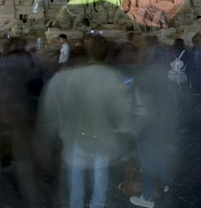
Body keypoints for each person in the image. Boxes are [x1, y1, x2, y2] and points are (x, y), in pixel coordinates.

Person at [35, 35, 132, 208]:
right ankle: (97, 204)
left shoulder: (76, 75)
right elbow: (120, 109)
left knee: (76, 173)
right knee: (100, 174)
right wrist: (124, 127)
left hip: (80, 133)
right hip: (103, 133)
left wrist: (65, 130)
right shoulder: (113, 75)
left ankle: (76, 204)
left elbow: (69, 105)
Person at [129, 36, 171, 208]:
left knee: (146, 160)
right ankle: (164, 183)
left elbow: (136, 86)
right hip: (158, 117)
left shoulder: (145, 68)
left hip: (146, 119)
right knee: (157, 153)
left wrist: (126, 83)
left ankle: (147, 197)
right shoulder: (159, 64)